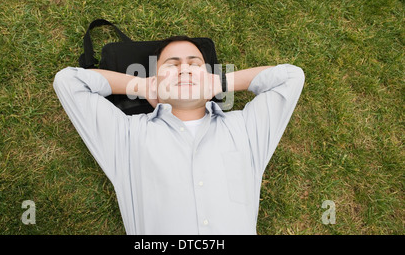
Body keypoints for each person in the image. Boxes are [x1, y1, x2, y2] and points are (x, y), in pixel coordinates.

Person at [53, 36, 305, 234]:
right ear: (155, 78)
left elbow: (291, 77)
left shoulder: (246, 129)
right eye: (171, 65)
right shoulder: (127, 136)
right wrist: (142, 86)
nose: (184, 69)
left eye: (195, 64)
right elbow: (69, 82)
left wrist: (220, 84)